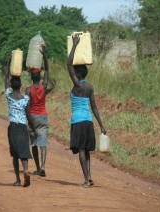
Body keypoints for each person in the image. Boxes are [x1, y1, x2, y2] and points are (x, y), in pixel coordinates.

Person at [67, 35, 107, 188]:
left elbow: (69, 64)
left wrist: (75, 45)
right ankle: (89, 176)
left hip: (78, 121)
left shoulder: (77, 86)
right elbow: (95, 107)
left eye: (75, 72)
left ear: (77, 75)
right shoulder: (89, 87)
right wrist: (101, 125)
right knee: (87, 151)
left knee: (82, 151)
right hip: (89, 121)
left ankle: (86, 179)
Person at [5, 58, 37, 187]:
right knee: (24, 151)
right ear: (21, 86)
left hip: (13, 127)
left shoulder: (9, 96)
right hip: (23, 127)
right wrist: (34, 129)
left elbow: (6, 78)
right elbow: (29, 115)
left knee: (15, 154)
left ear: (12, 87)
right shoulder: (25, 99)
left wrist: (9, 63)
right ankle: (26, 170)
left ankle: (18, 179)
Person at [26, 44, 51, 177]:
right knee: (43, 143)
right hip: (43, 116)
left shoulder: (28, 90)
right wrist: (44, 55)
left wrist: (30, 123)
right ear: (40, 78)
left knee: (34, 144)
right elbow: (47, 71)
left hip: (33, 117)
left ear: (31, 77)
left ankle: (37, 167)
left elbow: (27, 109)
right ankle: (43, 166)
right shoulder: (44, 86)